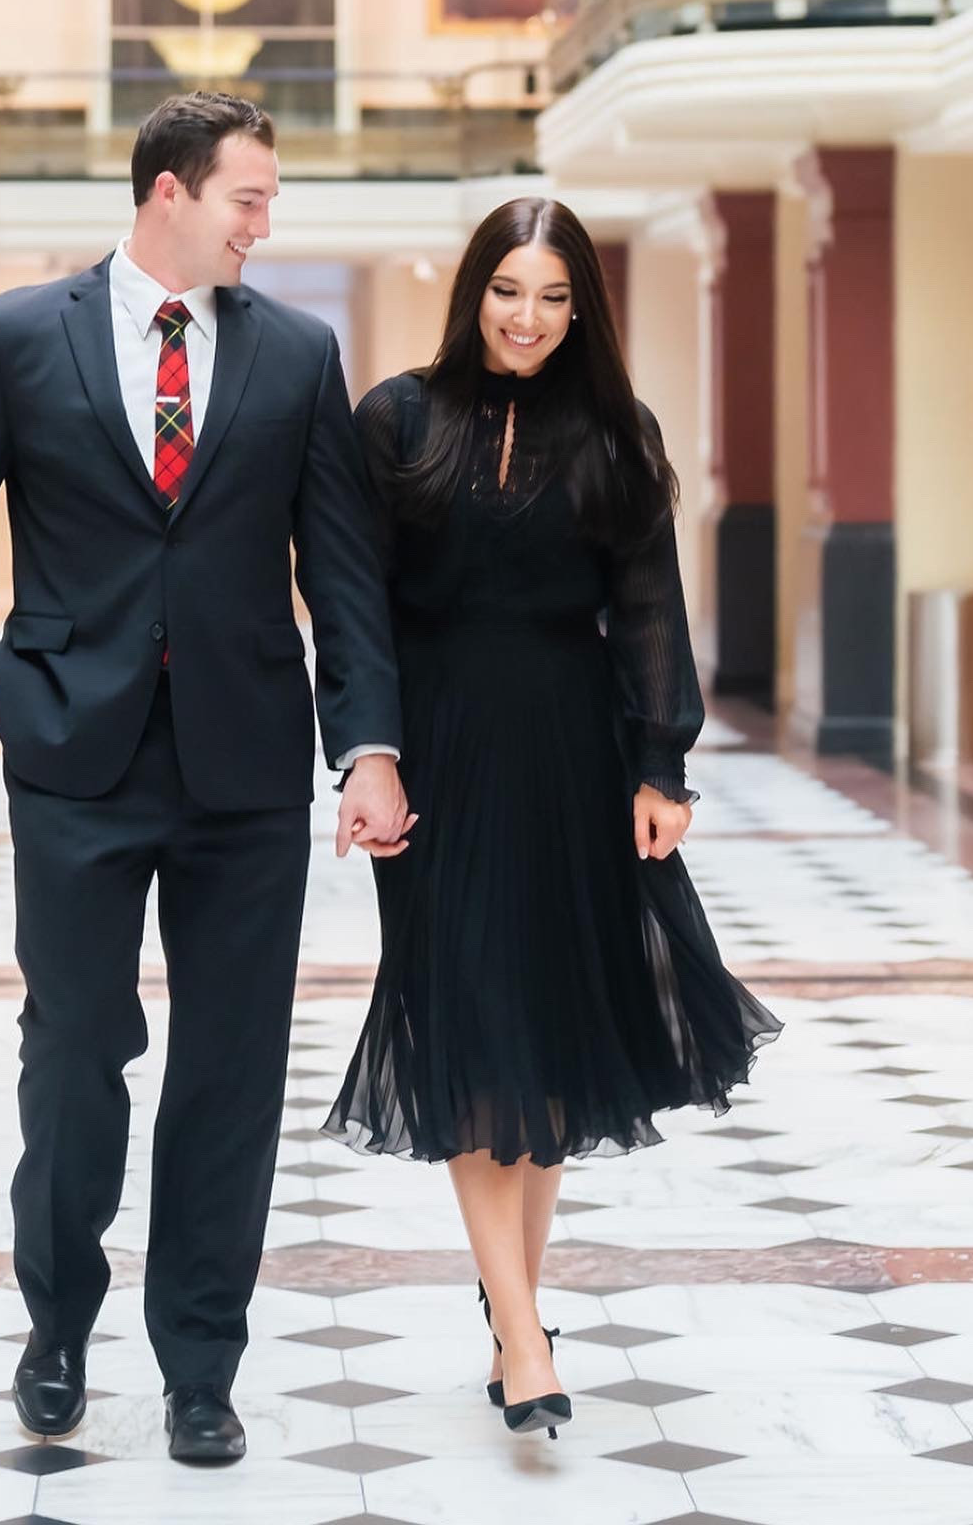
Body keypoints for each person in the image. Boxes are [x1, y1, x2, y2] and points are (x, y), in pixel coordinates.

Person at [0, 93, 411, 1461]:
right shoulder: (19, 338)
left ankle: (200, 1364)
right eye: (250, 198)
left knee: (231, 1069)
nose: (265, 223)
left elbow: (345, 578)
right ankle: (56, 1325)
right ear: (170, 192)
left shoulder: (298, 356)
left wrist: (368, 746)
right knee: (75, 1048)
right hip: (72, 748)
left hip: (244, 765)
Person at [322, 196, 782, 1440]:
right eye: (508, 290)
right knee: (467, 1016)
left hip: (572, 753)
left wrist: (660, 766)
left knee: (545, 1024)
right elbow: (352, 599)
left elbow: (648, 604)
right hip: (439, 756)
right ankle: (523, 1334)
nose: (527, 318)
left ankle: (512, 1312)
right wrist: (367, 754)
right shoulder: (397, 419)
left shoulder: (613, 432)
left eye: (554, 296)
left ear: (582, 307)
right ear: (474, 289)